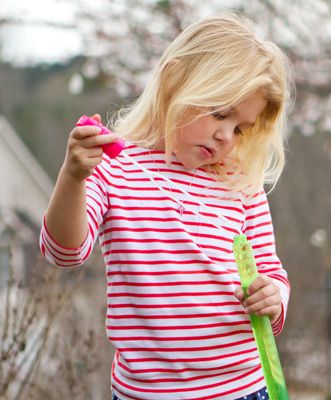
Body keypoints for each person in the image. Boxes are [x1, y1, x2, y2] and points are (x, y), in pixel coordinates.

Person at [40, 13, 292, 400]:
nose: (227, 136)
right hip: (148, 393)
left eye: (240, 128)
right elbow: (64, 252)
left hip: (242, 388)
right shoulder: (113, 167)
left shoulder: (240, 182)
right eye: (220, 112)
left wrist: (273, 296)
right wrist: (74, 176)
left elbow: (272, 272)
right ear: (174, 81)